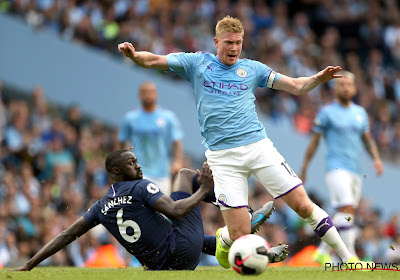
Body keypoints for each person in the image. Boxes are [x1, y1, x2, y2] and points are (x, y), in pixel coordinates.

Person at [117, 15, 367, 269]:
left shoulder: (252, 69)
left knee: (303, 205)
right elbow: (156, 60)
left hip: (259, 148)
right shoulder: (197, 63)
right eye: (229, 42)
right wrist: (135, 56)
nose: (234, 48)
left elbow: (295, 86)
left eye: (238, 42)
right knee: (239, 233)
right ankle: (225, 238)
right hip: (223, 159)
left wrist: (317, 79)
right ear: (216, 41)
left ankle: (349, 260)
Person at [12, 149, 287, 271]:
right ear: (117, 171)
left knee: (196, 239)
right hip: (180, 252)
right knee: (184, 174)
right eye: (132, 163)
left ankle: (253, 248)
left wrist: (30, 264)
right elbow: (177, 211)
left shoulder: (100, 206)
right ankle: (242, 215)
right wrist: (203, 189)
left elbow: (65, 236)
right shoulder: (140, 187)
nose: (138, 166)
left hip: (163, 265)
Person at [299, 71, 384, 264]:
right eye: (342, 85)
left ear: (354, 89)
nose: (345, 88)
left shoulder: (360, 113)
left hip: (355, 171)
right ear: (336, 88)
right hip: (336, 169)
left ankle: (322, 251)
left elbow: (367, 140)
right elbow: (314, 142)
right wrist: (304, 167)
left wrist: (377, 158)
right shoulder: (327, 113)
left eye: (349, 85)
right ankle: (351, 258)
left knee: (346, 214)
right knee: (346, 211)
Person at [118, 81, 184, 195]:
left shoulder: (168, 118)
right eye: (144, 92)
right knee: (138, 208)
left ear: (156, 94)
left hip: (162, 172)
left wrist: (178, 161)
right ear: (139, 95)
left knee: (162, 209)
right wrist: (120, 163)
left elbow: (177, 141)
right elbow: (121, 141)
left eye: (151, 92)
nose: (148, 95)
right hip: (137, 171)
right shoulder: (130, 118)